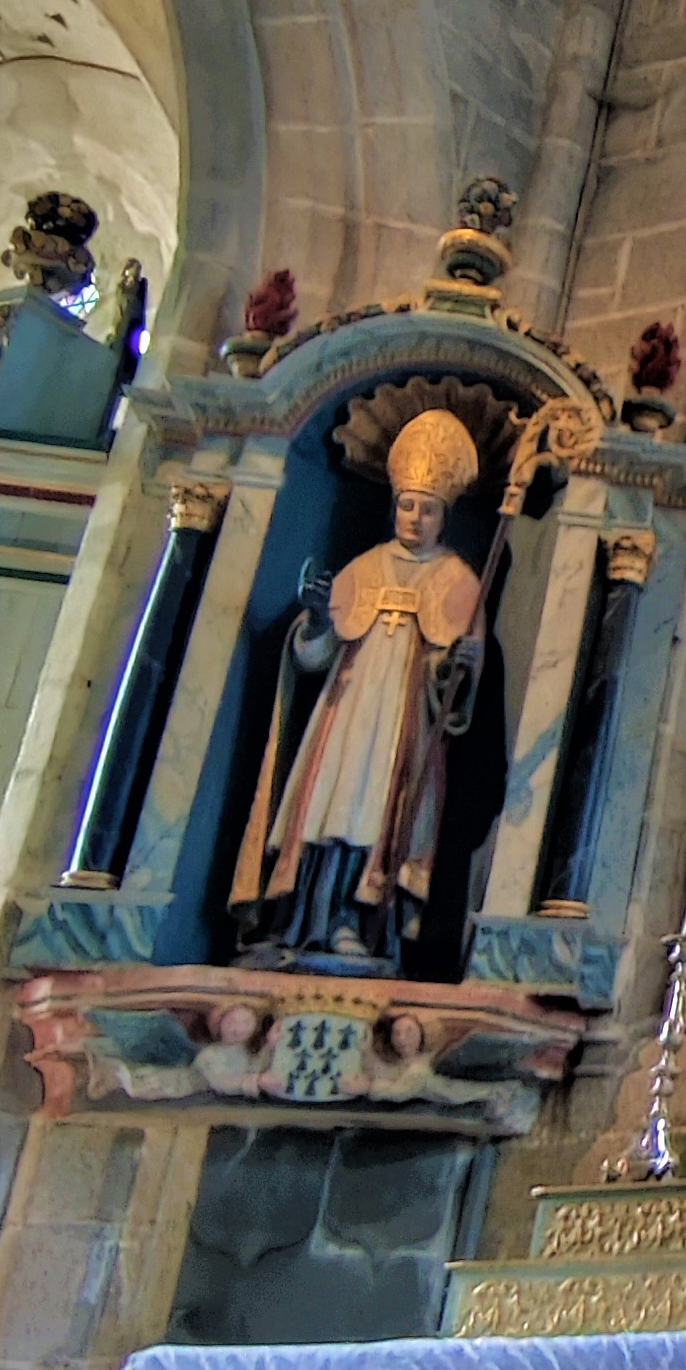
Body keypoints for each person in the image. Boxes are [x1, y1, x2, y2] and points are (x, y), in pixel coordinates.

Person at [230, 407, 488, 966]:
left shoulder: (458, 580)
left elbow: (454, 694)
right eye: (407, 505)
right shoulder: (365, 567)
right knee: (327, 806)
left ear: (444, 518)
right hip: (344, 713)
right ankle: (301, 919)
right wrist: (318, 620)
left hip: (401, 726)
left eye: (427, 509)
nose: (414, 518)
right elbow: (316, 655)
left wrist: (459, 665)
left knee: (377, 813)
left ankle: (359, 921)